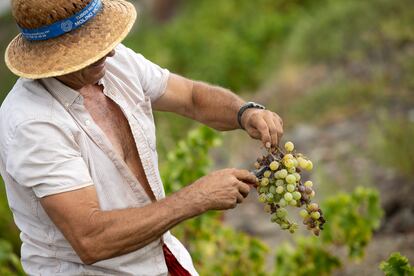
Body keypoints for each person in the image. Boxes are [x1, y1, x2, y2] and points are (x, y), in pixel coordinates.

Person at [0, 0, 283, 275]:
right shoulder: (32, 124)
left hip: (162, 257)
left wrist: (244, 113)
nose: (109, 53)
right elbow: (91, 239)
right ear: (51, 57)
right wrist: (197, 197)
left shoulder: (114, 62)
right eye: (90, 48)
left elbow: (191, 98)